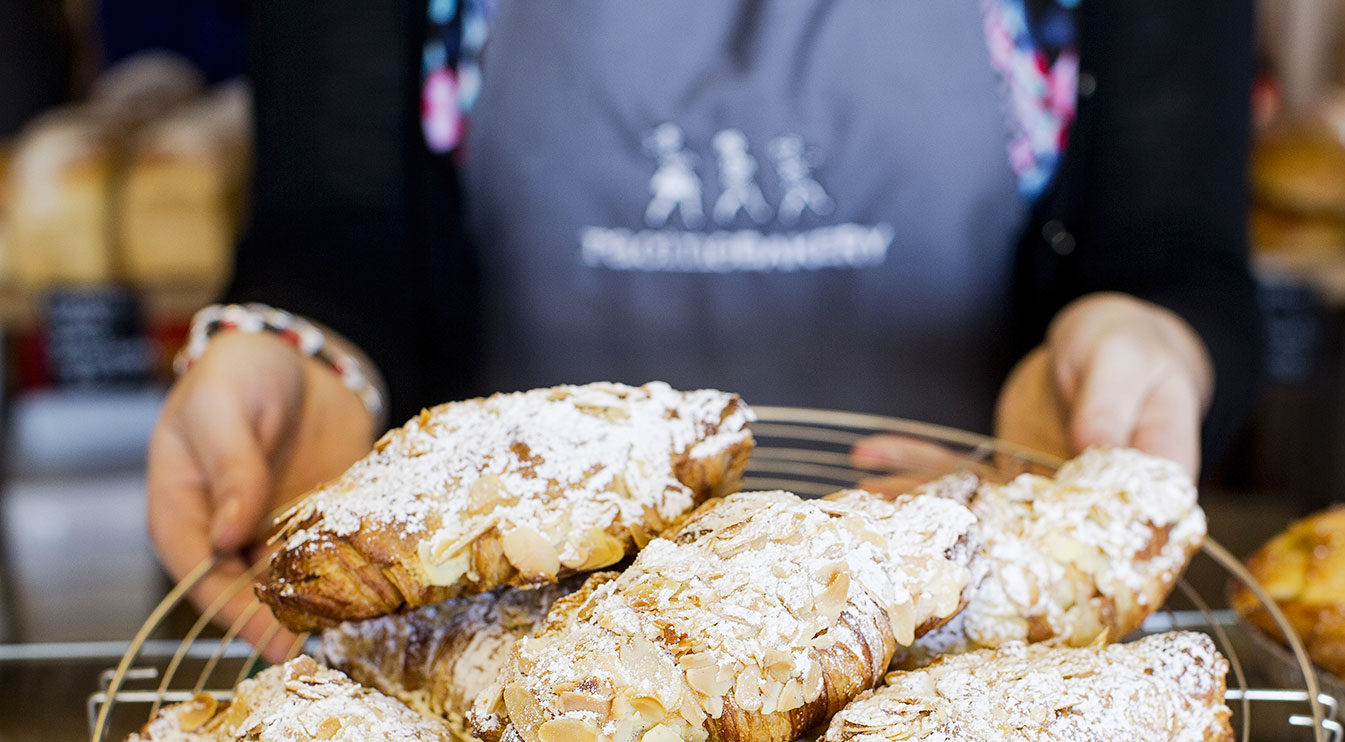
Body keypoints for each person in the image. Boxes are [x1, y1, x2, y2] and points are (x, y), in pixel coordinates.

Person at [146, 0, 1264, 650]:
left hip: (961, 646)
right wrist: (299, 349)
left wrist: (1146, 340)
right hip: (500, 655)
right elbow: (333, 223)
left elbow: (1178, 248)